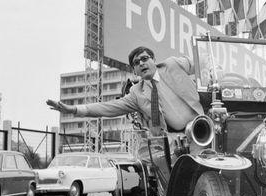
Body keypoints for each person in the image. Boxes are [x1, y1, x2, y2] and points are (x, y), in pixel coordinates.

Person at [47, 46, 204, 136]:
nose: (142, 63)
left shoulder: (173, 64)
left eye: (145, 58)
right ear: (135, 71)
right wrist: (74, 109)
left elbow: (200, 62)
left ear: (153, 60)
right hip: (170, 141)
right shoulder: (137, 93)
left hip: (202, 127)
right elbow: (107, 108)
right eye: (137, 62)